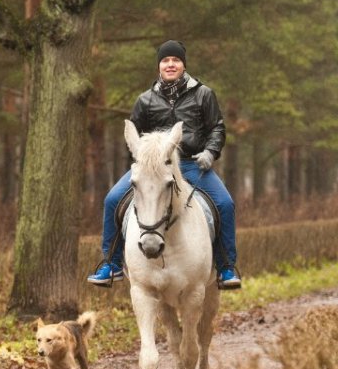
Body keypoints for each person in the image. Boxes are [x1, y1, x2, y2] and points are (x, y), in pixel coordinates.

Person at [87, 39, 242, 290]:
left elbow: (217, 129)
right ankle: (112, 265)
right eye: (165, 60)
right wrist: (143, 162)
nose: (170, 64)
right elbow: (134, 136)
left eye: (175, 60)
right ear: (159, 66)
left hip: (194, 165)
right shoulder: (145, 100)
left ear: (183, 64)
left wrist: (210, 153)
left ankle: (225, 268)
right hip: (154, 168)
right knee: (112, 200)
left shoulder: (204, 94)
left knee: (225, 204)